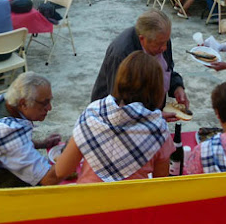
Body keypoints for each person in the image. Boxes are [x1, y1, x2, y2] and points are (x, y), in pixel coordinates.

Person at [56, 52, 173, 183]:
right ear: (157, 89)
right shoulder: (159, 130)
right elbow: (161, 182)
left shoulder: (93, 114)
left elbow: (61, 170)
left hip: (88, 199)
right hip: (134, 202)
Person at [90, 9, 189, 118]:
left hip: (151, 110)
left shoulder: (162, 39)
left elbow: (166, 69)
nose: (164, 48)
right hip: (115, 119)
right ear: (142, 39)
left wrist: (177, 87)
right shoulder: (121, 54)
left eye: (166, 41)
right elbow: (118, 103)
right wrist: (152, 117)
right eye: (160, 44)